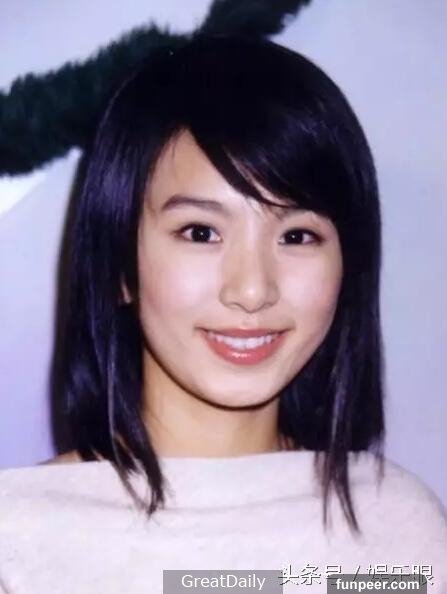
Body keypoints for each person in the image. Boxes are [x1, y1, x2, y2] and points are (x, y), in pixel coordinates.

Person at [0, 34, 446, 594]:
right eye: (200, 232)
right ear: (118, 266)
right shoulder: (18, 542)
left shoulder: (398, 532)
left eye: (297, 235)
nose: (252, 290)